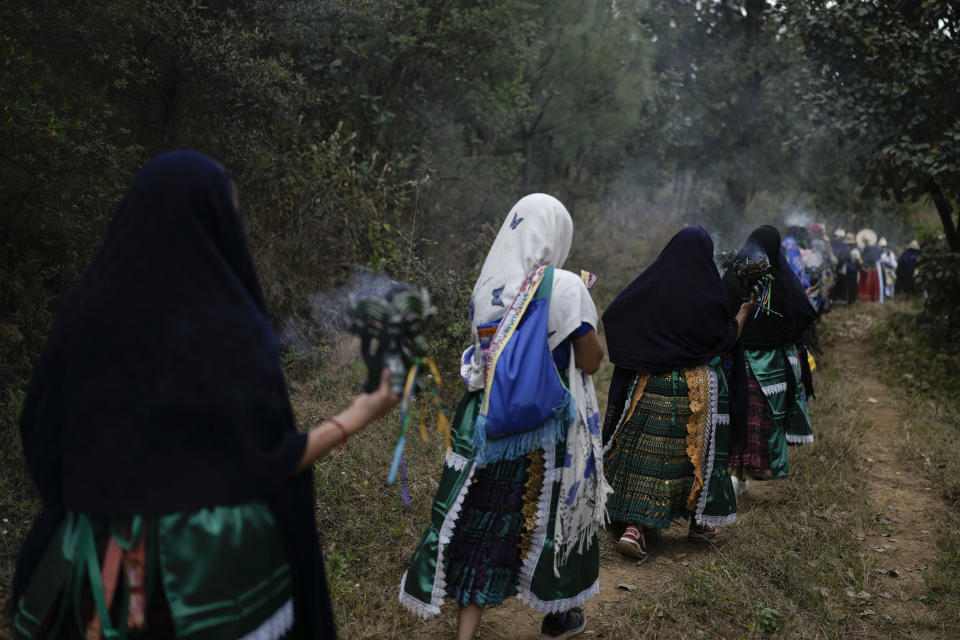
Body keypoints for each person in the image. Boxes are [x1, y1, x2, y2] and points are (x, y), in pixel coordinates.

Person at [10, 152, 400, 640]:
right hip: (207, 586)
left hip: (87, 578)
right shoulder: (231, 329)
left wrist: (99, 494)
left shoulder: (82, 312)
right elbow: (265, 464)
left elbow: (41, 438)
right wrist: (361, 412)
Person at [399, 194, 608, 640]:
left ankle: (465, 634)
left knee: (485, 520)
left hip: (488, 419)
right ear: (555, 234)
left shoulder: (485, 288)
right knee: (553, 520)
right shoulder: (565, 286)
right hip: (545, 428)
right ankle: (559, 615)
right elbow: (590, 361)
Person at [600, 227, 756, 563]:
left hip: (649, 386)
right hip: (696, 388)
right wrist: (743, 314)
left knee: (645, 458)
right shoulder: (708, 294)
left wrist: (639, 352)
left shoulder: (651, 284)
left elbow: (614, 314)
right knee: (701, 457)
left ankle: (634, 529)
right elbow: (724, 340)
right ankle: (699, 523)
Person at [723, 226, 817, 483]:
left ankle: (739, 469)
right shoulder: (780, 276)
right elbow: (803, 313)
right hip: (769, 364)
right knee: (763, 416)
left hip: (735, 358)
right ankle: (755, 465)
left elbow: (720, 309)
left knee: (741, 414)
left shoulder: (736, 273)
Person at [858, 236, 884, 303]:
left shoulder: (866, 249)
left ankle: (867, 299)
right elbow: (879, 258)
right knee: (874, 284)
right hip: (876, 269)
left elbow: (861, 259)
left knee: (867, 285)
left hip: (868, 269)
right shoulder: (876, 248)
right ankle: (874, 299)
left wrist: (861, 265)